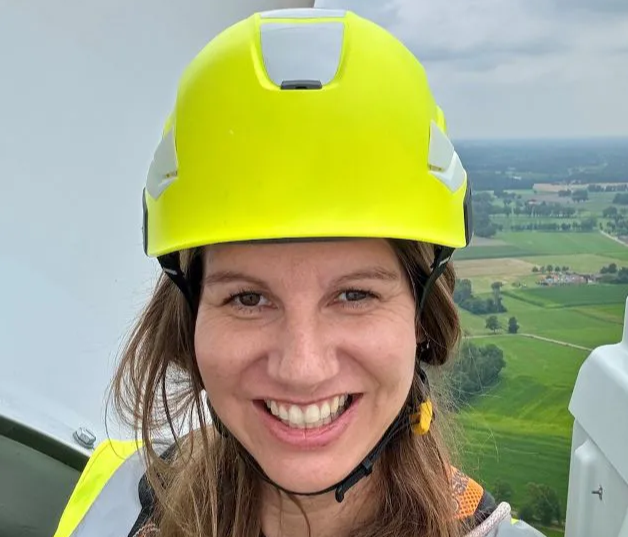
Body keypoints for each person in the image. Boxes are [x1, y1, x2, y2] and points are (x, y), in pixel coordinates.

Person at [53, 8, 546, 537]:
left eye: (354, 295)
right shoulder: (115, 507)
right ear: (189, 316)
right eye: (247, 299)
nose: (302, 368)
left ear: (423, 314)